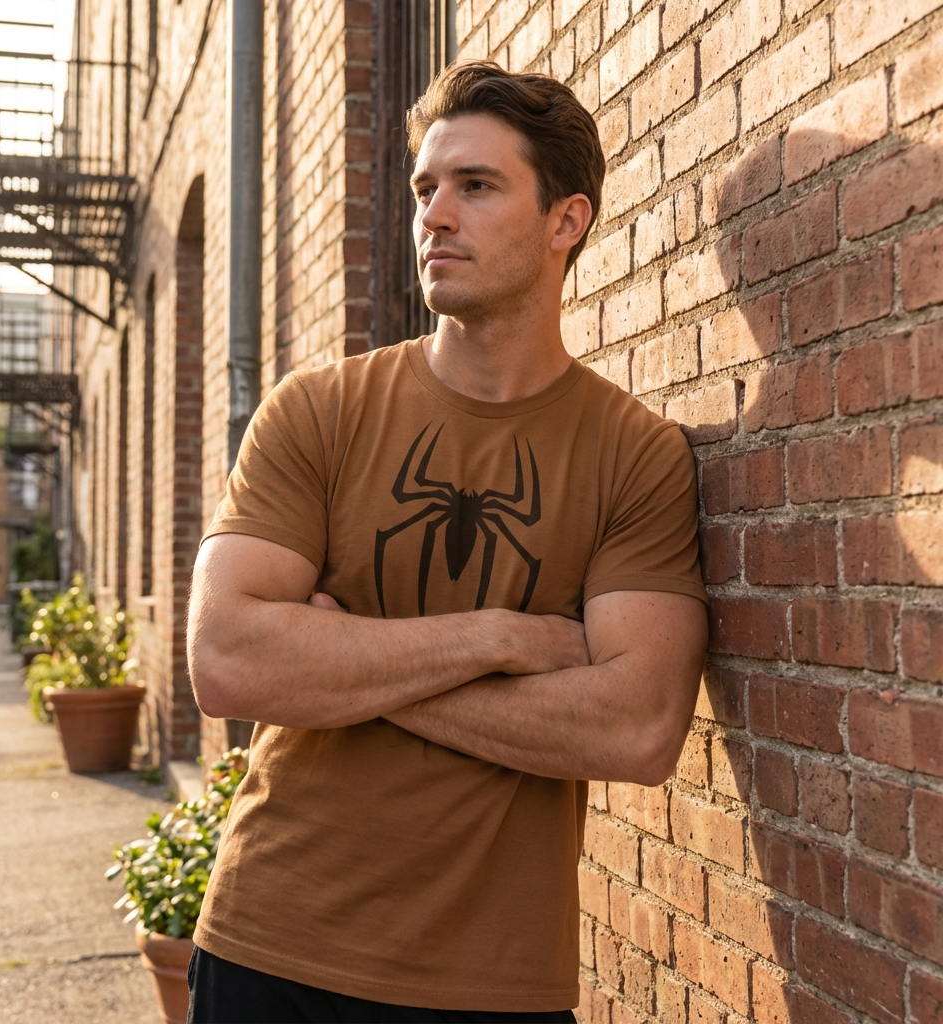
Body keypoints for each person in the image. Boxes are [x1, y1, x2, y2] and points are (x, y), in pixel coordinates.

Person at [185, 61, 709, 1024]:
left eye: (476, 186)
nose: (433, 213)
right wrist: (502, 640)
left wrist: (343, 665)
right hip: (271, 942)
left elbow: (635, 729)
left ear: (566, 220)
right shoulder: (320, 410)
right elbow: (226, 661)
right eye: (426, 187)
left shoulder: (637, 455)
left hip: (493, 982)